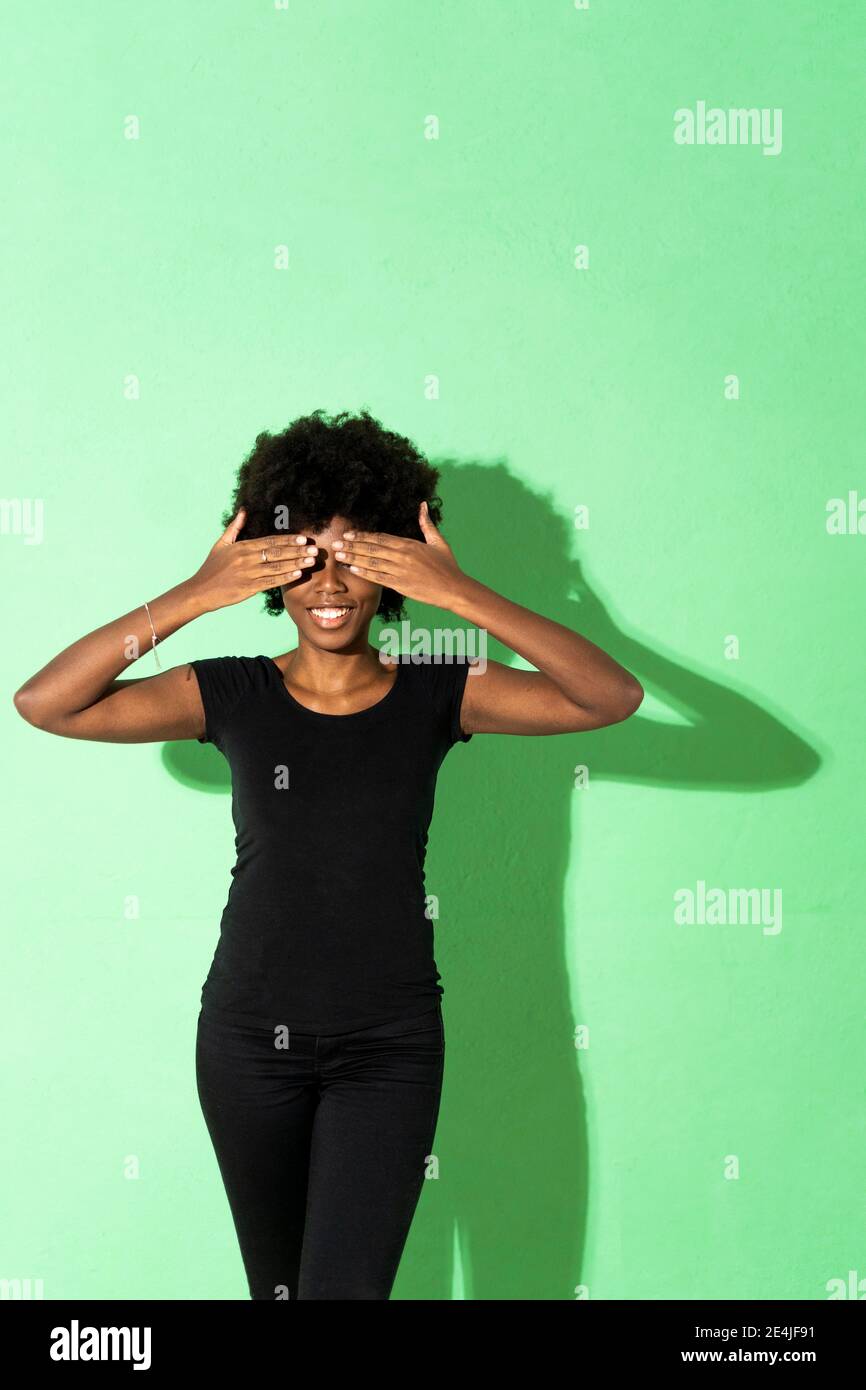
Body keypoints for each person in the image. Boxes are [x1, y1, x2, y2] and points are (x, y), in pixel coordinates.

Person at [12, 408, 643, 1300]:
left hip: (387, 1050)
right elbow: (46, 702)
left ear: (396, 566)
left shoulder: (442, 693)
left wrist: (462, 594)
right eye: (304, 557)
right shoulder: (230, 692)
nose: (330, 582)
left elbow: (610, 695)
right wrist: (197, 592)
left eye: (357, 554)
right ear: (267, 571)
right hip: (245, 1046)